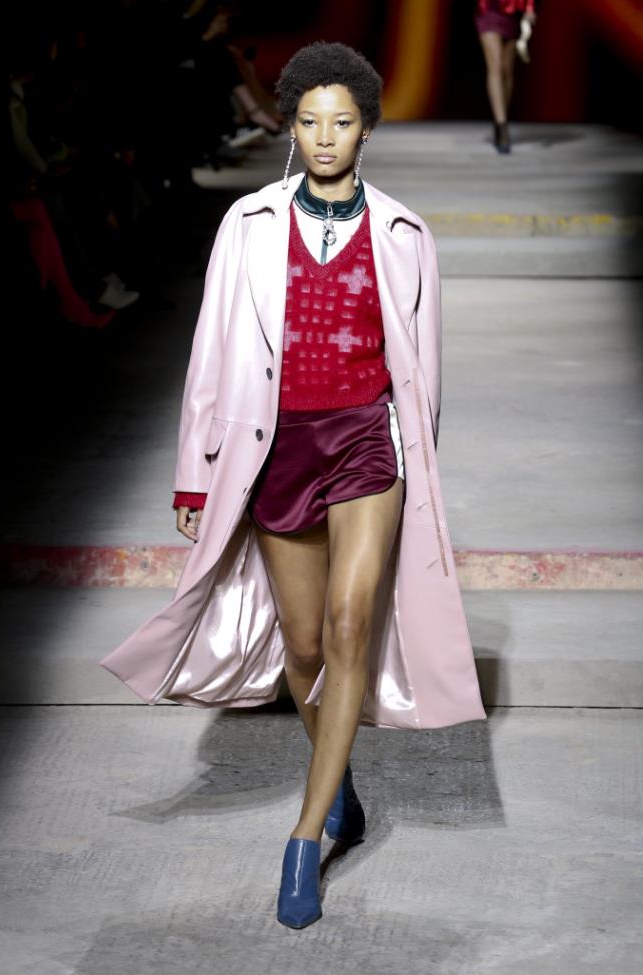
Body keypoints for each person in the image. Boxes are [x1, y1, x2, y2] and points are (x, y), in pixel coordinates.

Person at [99, 41, 486, 929]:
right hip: (276, 447)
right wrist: (195, 474)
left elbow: (423, 368)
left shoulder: (404, 234)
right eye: (309, 121)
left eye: (341, 122)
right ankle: (335, 776)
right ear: (290, 125)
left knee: (350, 625)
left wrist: (417, 466)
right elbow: (211, 349)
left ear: (366, 129)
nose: (324, 136)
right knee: (304, 647)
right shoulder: (248, 224)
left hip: (365, 444)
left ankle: (305, 836)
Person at [474, 0, 537, 153]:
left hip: (513, 8)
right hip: (487, 8)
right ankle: (502, 126)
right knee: (495, 65)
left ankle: (500, 119)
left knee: (507, 70)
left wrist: (530, 7)